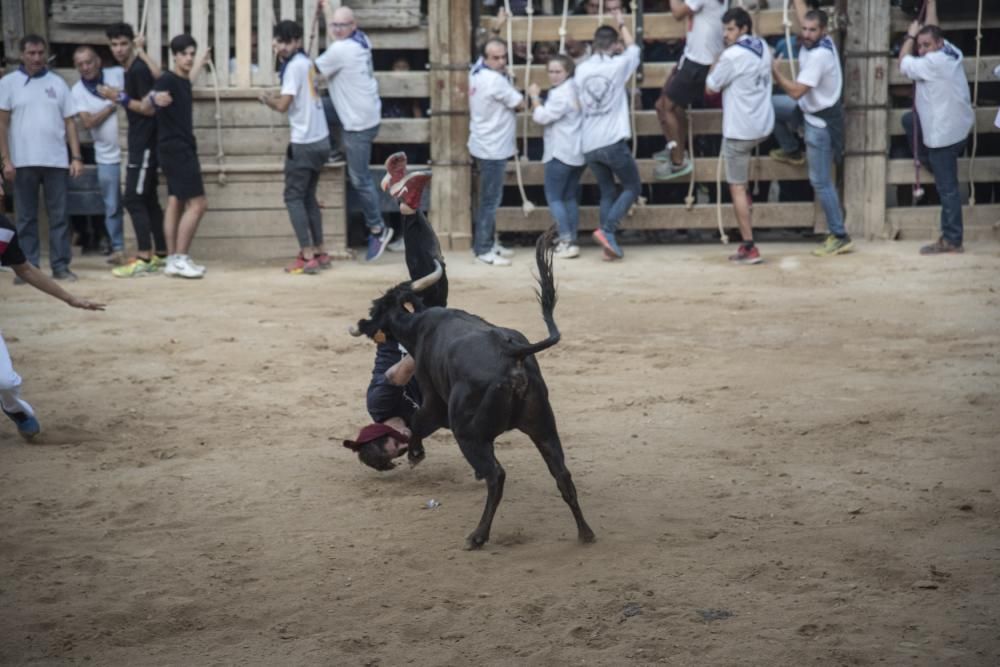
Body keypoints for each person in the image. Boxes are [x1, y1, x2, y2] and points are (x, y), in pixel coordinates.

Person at [344, 151, 439, 469]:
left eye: (395, 445)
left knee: (428, 276)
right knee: (434, 268)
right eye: (401, 452)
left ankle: (407, 204)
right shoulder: (410, 423)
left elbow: (405, 370)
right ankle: (405, 199)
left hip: (402, 332)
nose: (403, 444)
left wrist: (436, 343)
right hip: (409, 337)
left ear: (384, 431)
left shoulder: (380, 404)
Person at [1, 211, 105, 441]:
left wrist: (70, 298)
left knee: (5, 382)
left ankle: (16, 410)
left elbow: (25, 269)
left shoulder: (4, 229)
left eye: (0, 186)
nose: (0, 192)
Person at [0, 35, 83, 284]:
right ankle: (30, 267)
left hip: (56, 160)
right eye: (31, 53)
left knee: (59, 216)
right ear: (22, 54)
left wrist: (76, 156)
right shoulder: (8, 83)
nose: (36, 58)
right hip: (23, 160)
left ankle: (60, 266)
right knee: (25, 217)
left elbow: (70, 122)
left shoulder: (57, 83)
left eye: (40, 53)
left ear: (46, 54)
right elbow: (1, 123)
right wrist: (5, 160)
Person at [770, 0, 851, 257]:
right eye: (804, 29)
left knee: (821, 182)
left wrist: (776, 74)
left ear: (823, 31)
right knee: (769, 106)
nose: (805, 34)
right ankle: (792, 149)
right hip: (808, 110)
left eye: (812, 30)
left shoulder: (819, 56)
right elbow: (803, 12)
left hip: (818, 122)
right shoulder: (818, 40)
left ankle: (839, 234)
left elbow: (794, 92)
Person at [315, 3, 392, 262]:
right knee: (319, 107)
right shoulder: (361, 40)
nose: (337, 30)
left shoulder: (341, 49)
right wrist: (327, 12)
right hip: (363, 112)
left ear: (353, 26)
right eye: (334, 25)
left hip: (357, 122)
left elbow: (312, 72)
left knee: (360, 178)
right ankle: (334, 151)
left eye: (342, 25)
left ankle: (378, 228)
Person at [898, 0, 974, 255]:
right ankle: (930, 162)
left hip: (943, 134)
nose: (922, 50)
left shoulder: (932, 63)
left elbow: (902, 64)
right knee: (909, 121)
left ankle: (952, 239)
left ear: (938, 44)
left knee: (947, 188)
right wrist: (930, 4)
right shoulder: (949, 51)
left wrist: (910, 35)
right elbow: (933, 28)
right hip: (957, 128)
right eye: (920, 46)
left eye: (926, 45)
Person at [260, 20, 333, 274]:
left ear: (297, 42)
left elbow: (283, 105)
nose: (281, 46)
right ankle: (321, 251)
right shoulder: (307, 62)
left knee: (293, 197)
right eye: (279, 41)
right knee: (308, 196)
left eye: (285, 41)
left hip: (303, 142)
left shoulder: (293, 67)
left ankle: (307, 254)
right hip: (321, 140)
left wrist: (266, 99)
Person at [705, 7, 773, 265]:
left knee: (737, 187)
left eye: (730, 29)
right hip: (762, 124)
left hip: (739, 130)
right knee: (742, 186)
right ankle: (748, 219)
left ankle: (749, 245)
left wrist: (715, 62)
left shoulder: (731, 56)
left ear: (743, 28)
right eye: (724, 29)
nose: (725, 34)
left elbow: (711, 87)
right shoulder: (763, 47)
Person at [101, 22, 168, 278]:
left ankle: (144, 256)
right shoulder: (132, 70)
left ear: (132, 44)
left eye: (123, 44)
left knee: (133, 198)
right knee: (148, 198)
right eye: (114, 44)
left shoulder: (138, 70)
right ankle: (160, 253)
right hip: (143, 142)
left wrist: (117, 98)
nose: (118, 49)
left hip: (146, 143)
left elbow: (148, 108)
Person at [575, 12, 641, 260]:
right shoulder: (618, 64)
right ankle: (607, 230)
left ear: (593, 44)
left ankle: (608, 245)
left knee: (607, 192)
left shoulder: (581, 70)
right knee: (633, 186)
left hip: (589, 143)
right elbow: (635, 49)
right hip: (612, 140)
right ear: (614, 45)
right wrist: (622, 23)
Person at [150, 34, 212, 279]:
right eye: (184, 54)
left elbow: (188, 78)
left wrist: (201, 61)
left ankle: (173, 259)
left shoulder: (182, 80)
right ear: (174, 56)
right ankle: (181, 257)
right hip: (177, 149)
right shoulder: (167, 79)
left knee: (176, 201)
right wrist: (156, 98)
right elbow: (153, 97)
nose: (188, 58)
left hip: (175, 147)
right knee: (198, 204)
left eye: (191, 54)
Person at [653, 0, 727, 181]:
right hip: (693, 57)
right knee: (669, 106)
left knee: (665, 106)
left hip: (699, 61)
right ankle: (677, 147)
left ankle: (678, 161)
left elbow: (677, 13)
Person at [467, 38, 523, 267]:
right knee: (490, 201)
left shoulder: (476, 70)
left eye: (503, 57)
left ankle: (489, 242)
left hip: (484, 143)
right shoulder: (496, 81)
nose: (501, 62)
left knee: (488, 199)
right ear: (486, 57)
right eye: (496, 58)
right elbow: (520, 103)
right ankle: (483, 248)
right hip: (493, 147)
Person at [71, 46, 126, 266]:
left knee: (135, 201)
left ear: (99, 61)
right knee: (112, 204)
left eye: (89, 62)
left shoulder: (117, 74)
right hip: (106, 156)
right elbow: (88, 122)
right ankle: (118, 248)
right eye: (81, 64)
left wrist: (119, 98)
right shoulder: (77, 91)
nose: (86, 67)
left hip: (129, 151)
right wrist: (112, 105)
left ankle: (140, 246)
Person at [528, 54, 585, 260]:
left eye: (557, 71)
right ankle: (571, 239)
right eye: (550, 71)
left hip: (560, 151)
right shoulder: (575, 88)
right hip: (576, 151)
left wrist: (534, 97)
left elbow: (541, 117)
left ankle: (566, 240)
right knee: (568, 197)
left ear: (567, 71)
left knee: (554, 197)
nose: (553, 76)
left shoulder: (561, 94)